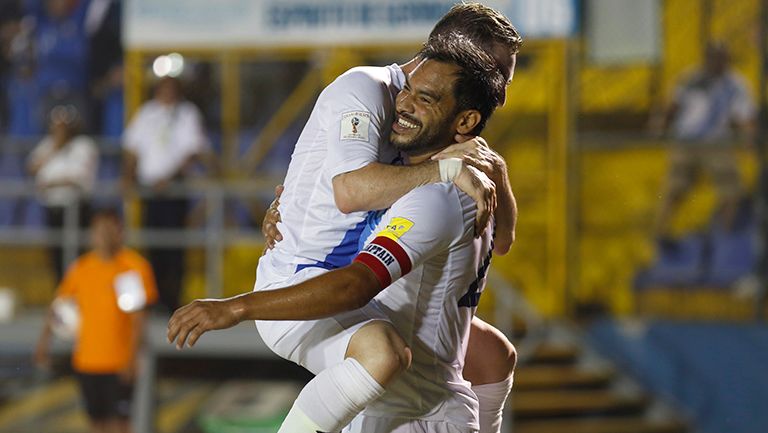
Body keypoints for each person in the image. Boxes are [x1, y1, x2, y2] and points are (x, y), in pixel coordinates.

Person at [169, 34, 505, 433]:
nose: (404, 102)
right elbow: (500, 350)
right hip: (430, 409)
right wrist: (290, 208)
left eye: (425, 98)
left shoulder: (438, 197)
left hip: (408, 414)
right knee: (390, 352)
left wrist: (234, 307)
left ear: (466, 119)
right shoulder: (452, 181)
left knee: (383, 353)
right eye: (410, 88)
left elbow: (355, 276)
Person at [259, 4, 521, 432]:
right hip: (309, 284)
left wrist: (496, 170)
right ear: (454, 54)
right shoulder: (369, 90)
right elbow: (349, 192)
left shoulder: (448, 129)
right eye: (496, 72)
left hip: (363, 291)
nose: (502, 93)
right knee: (385, 355)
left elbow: (504, 239)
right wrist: (446, 170)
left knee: (492, 354)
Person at [35, 208, 158, 433]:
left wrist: (131, 358)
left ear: (119, 232)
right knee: (96, 423)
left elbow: (138, 318)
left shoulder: (131, 268)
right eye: (99, 231)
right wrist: (44, 342)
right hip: (87, 361)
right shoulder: (81, 268)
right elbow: (58, 307)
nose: (103, 236)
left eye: (109, 230)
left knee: (119, 425)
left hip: (118, 361)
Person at [122, 76, 210, 311]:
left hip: (175, 191)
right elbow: (132, 148)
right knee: (153, 245)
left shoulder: (187, 113)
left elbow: (193, 151)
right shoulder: (146, 113)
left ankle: (173, 299)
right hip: (150, 191)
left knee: (175, 248)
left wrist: (169, 179)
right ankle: (155, 297)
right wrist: (128, 178)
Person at [652, 41, 756, 240]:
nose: (717, 63)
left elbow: (744, 117)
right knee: (675, 188)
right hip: (685, 140)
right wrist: (660, 124)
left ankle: (725, 234)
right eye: (713, 59)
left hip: (716, 142)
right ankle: (661, 231)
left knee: (731, 189)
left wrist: (748, 139)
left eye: (722, 59)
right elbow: (672, 105)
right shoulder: (689, 78)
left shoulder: (736, 84)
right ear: (706, 59)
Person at [27, 104, 97, 282]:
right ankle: (62, 293)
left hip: (76, 208)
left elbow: (77, 180)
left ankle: (77, 291)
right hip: (52, 208)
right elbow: (32, 168)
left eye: (64, 125)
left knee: (76, 254)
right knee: (55, 254)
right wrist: (55, 148)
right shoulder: (47, 145)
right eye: (57, 125)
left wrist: (51, 183)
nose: (60, 129)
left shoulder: (84, 146)